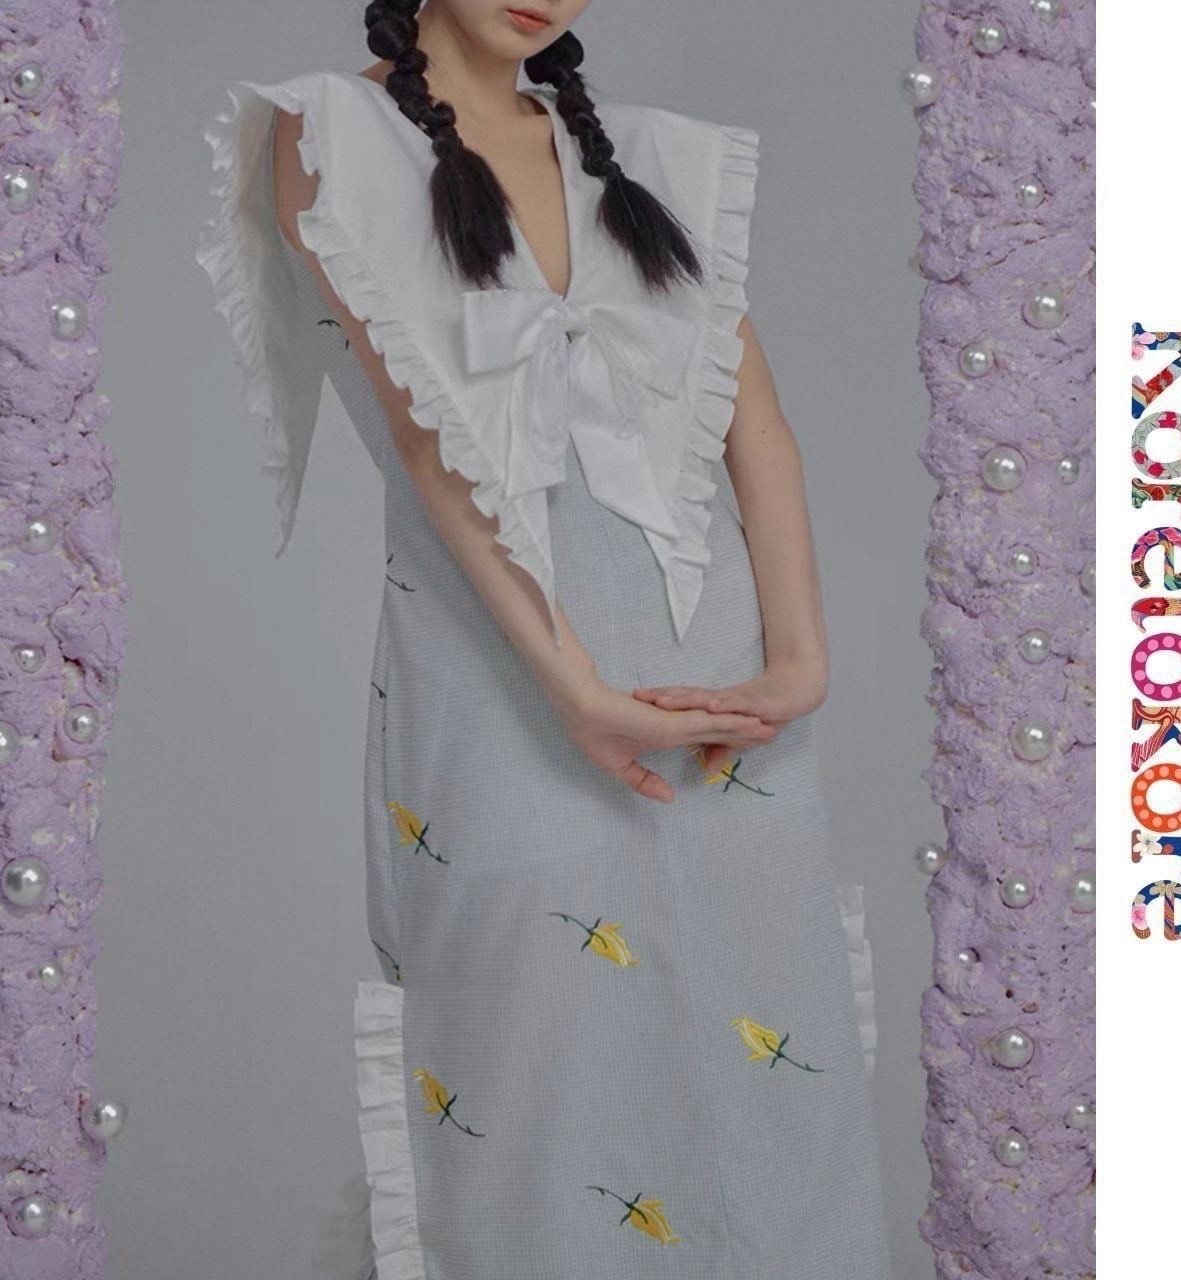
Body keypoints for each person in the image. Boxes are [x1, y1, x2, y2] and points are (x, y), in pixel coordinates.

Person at [196, 2, 891, 1275]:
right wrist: (573, 688)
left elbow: (757, 425)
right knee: (533, 1069)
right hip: (504, 673)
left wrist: (798, 659)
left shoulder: (648, 154)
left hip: (721, 673)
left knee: (766, 1056)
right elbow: (429, 440)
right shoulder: (328, 131)